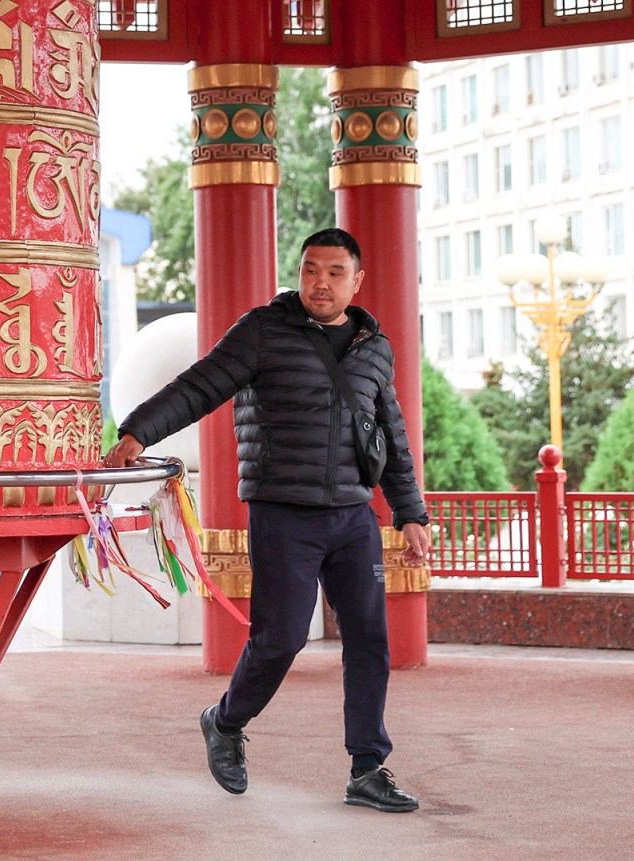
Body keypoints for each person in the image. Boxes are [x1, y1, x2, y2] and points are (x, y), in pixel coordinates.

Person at [105, 228, 432, 813]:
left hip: (353, 515)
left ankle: (367, 768)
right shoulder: (263, 331)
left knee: (369, 641)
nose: (321, 282)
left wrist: (410, 514)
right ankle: (226, 722)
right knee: (279, 639)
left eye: (335, 272)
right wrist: (137, 431)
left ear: (357, 282)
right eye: (311, 270)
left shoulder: (372, 347)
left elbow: (393, 435)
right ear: (300, 274)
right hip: (284, 512)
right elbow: (199, 385)